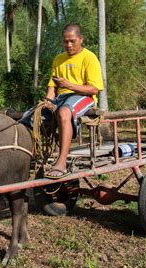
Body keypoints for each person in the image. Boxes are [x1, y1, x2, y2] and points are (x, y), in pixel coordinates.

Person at [39, 23, 104, 177]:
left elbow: (94, 89)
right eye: (65, 41)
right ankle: (38, 156)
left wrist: (68, 84)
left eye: (72, 41)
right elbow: (52, 87)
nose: (68, 45)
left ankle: (61, 162)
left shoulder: (89, 57)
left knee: (63, 112)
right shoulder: (58, 59)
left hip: (84, 97)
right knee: (32, 117)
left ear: (81, 39)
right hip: (61, 97)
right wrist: (47, 101)